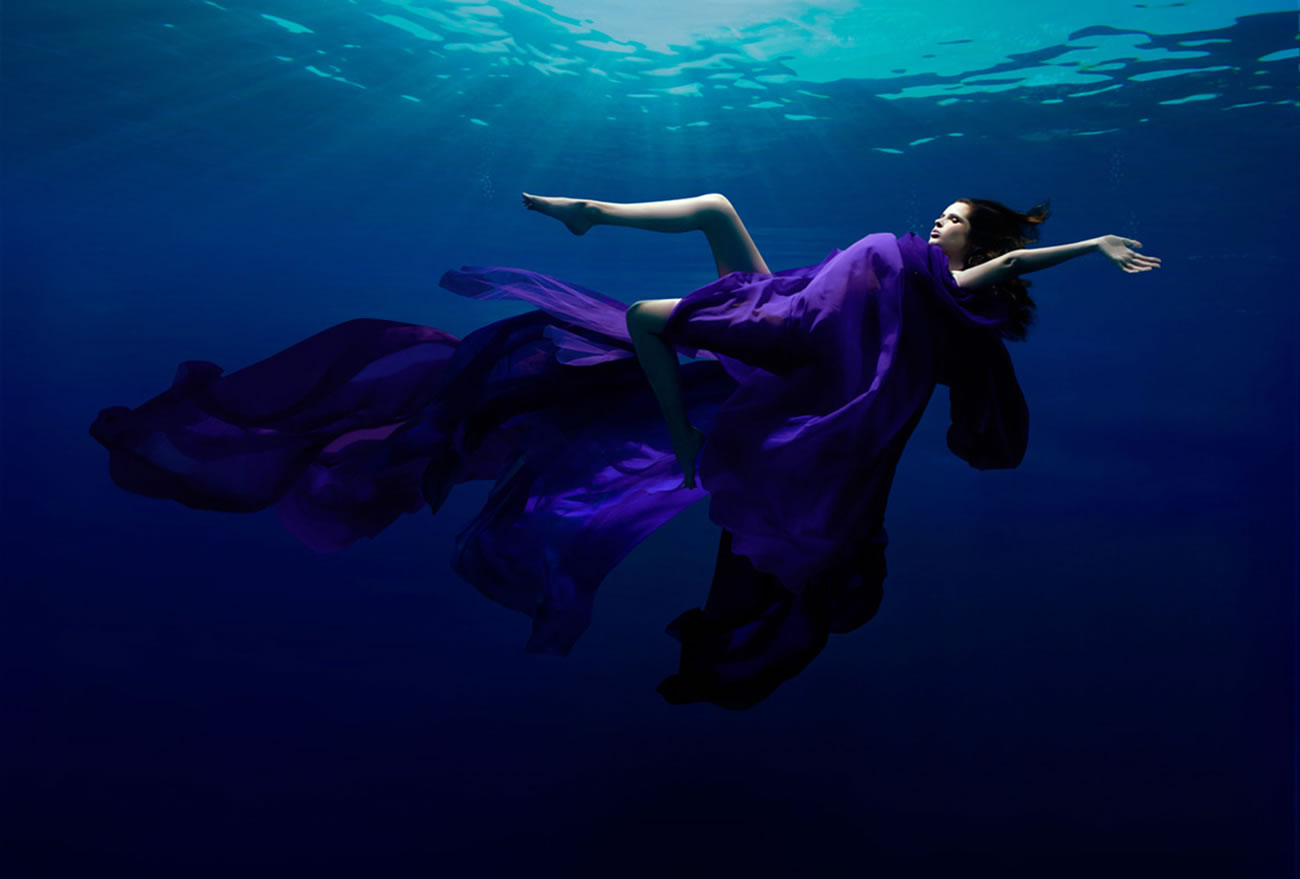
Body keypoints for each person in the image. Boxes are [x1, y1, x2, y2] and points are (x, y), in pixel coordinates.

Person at [89, 190, 1160, 710]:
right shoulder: (901, 259)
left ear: (983, 245)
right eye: (939, 218)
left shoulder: (940, 279)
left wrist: (1089, 244)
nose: (938, 228)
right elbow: (865, 276)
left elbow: (996, 275)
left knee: (651, 321)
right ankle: (589, 221)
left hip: (789, 336)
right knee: (706, 225)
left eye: (955, 222)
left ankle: (689, 425)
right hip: (779, 304)